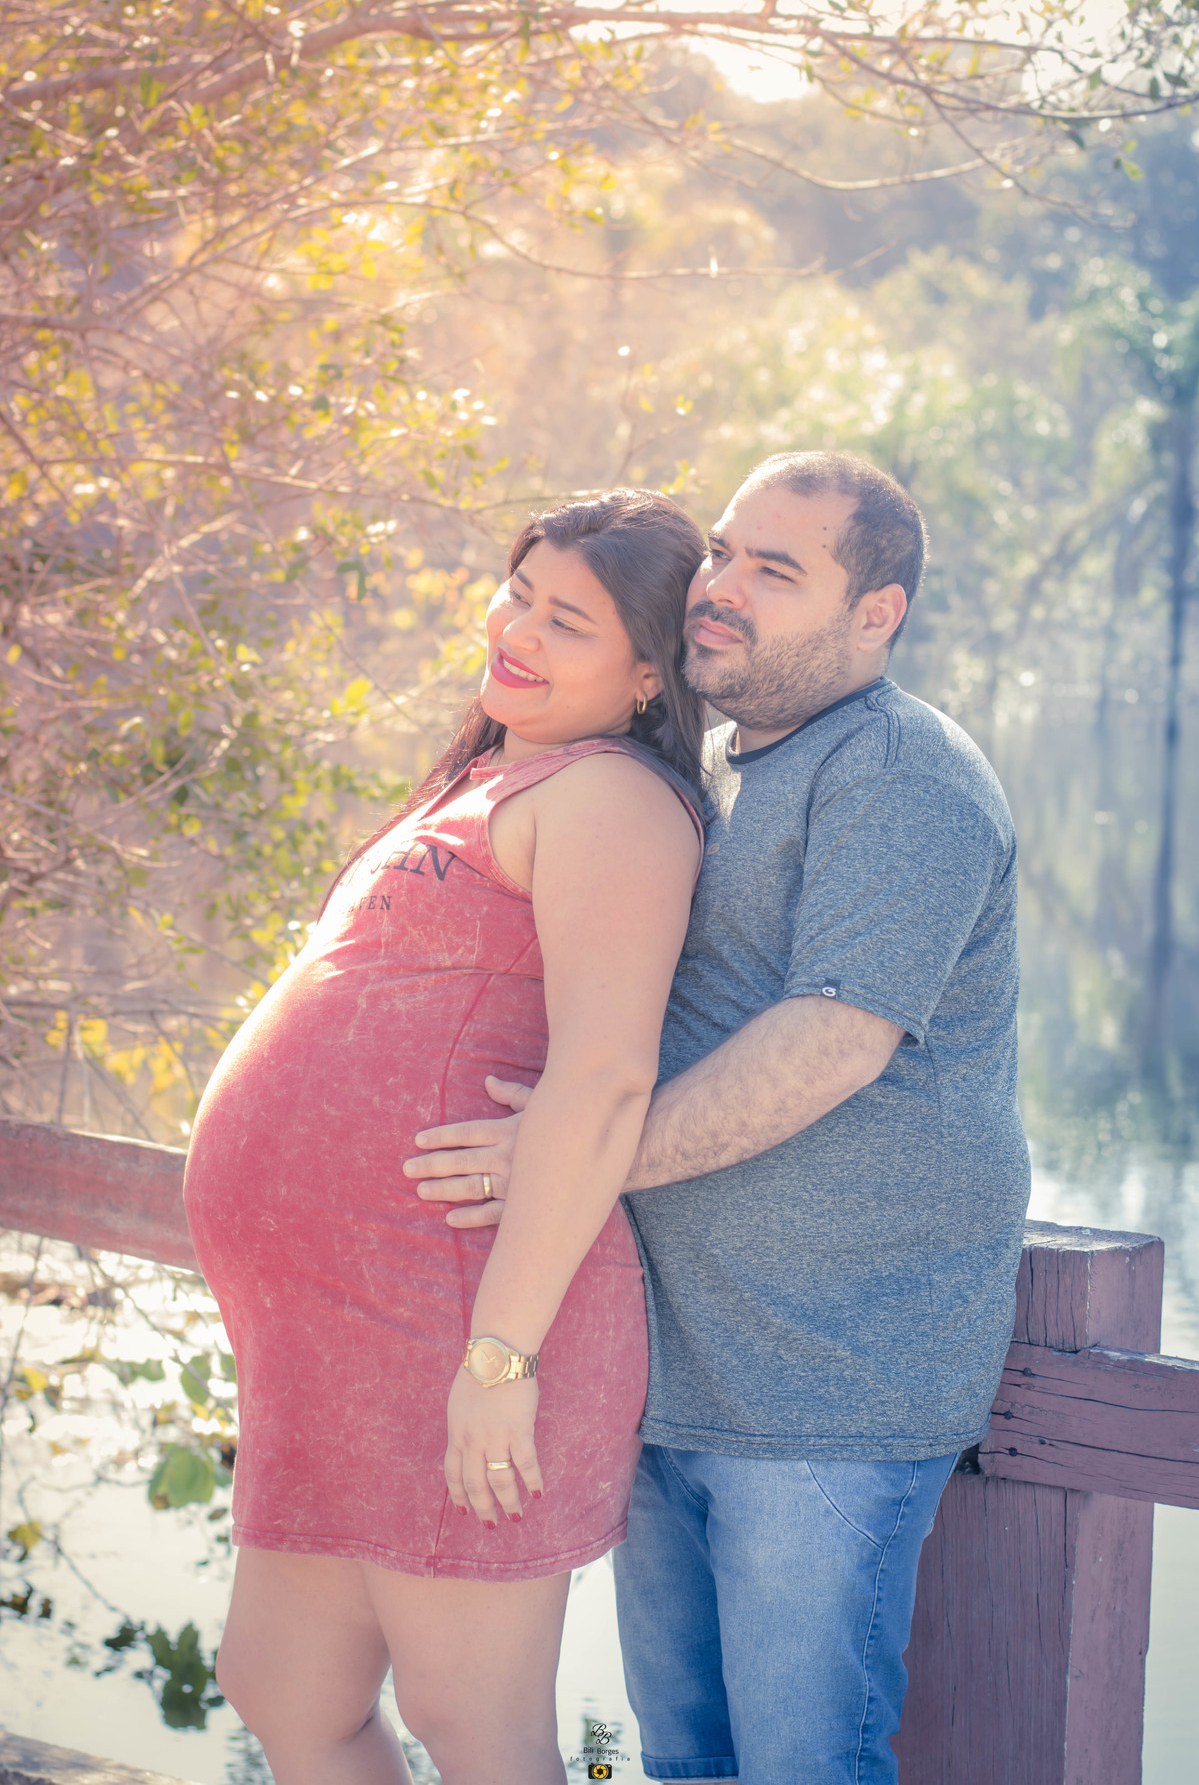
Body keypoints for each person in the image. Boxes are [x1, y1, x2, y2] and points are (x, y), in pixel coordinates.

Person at [406, 451, 1032, 1785]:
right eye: (727, 552)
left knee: (804, 1763)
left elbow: (831, 1044)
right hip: (668, 1370)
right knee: (685, 1759)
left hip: (830, 1392)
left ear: (877, 614)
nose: (723, 587)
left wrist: (561, 1164)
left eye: (777, 570)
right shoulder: (706, 764)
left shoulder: (902, 772)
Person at [182, 490, 708, 1785]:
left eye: (568, 622)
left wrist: (500, 1358)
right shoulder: (489, 775)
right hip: (333, 1339)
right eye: (519, 593)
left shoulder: (611, 799)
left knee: (475, 1726)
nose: (518, 630)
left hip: (461, 1320)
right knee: (283, 1686)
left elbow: (604, 1078)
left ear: (648, 675)